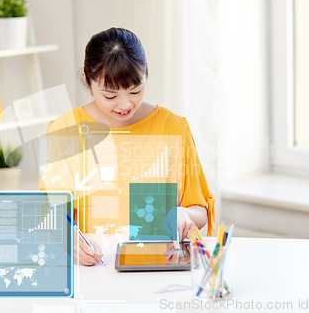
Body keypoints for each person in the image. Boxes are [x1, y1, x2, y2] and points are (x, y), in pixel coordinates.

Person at [40, 27, 215, 266]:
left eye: (135, 90)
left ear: (145, 74)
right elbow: (52, 213)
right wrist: (67, 238)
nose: (125, 104)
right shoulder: (65, 129)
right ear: (86, 79)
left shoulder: (173, 126)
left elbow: (200, 209)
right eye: (110, 96)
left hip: (158, 267)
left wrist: (184, 214)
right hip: (93, 269)